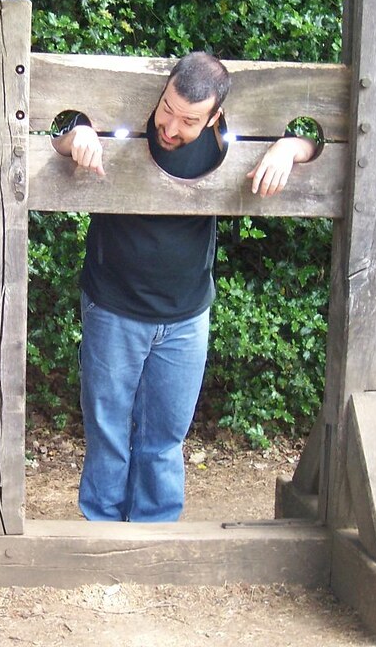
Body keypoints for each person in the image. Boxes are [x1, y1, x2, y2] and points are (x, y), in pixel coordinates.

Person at [52, 51, 317, 522]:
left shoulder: (225, 139)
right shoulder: (129, 127)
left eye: (188, 121)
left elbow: (316, 139)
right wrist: (79, 133)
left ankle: (154, 531)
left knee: (164, 439)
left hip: (186, 315)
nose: (170, 128)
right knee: (108, 431)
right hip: (114, 305)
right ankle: (101, 531)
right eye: (166, 110)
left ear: (215, 116)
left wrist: (288, 148)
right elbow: (55, 135)